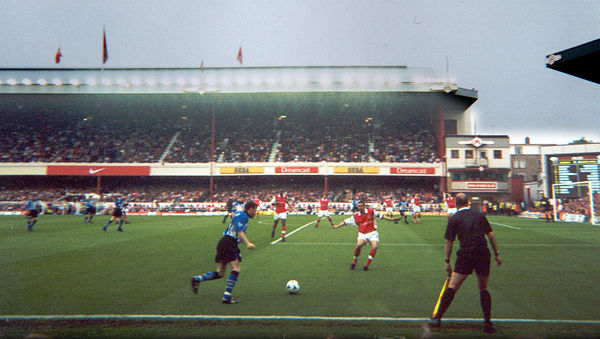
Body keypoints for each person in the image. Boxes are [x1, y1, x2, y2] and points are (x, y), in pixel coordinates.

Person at [427, 193, 502, 334]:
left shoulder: (454, 218)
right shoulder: (479, 216)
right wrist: (497, 254)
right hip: (483, 253)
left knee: (453, 285)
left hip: (466, 253)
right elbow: (491, 236)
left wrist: (447, 261)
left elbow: (449, 242)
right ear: (468, 202)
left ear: (456, 204)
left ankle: (437, 318)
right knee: (483, 288)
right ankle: (487, 323)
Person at [190, 200, 257, 304]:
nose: (255, 212)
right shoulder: (244, 217)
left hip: (223, 241)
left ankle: (197, 279)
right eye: (255, 210)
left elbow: (234, 213)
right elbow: (239, 231)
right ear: (250, 209)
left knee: (220, 272)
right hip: (230, 242)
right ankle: (227, 296)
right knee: (236, 268)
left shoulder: (239, 213)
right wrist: (248, 243)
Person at [332, 200, 400, 271]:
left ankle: (366, 264)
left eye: (361, 206)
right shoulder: (355, 216)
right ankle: (354, 261)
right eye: (359, 206)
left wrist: (393, 219)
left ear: (364, 206)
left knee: (375, 246)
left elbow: (382, 216)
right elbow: (345, 222)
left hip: (372, 233)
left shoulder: (371, 211)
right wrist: (337, 226)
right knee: (358, 245)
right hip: (362, 234)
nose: (360, 207)